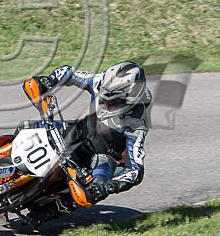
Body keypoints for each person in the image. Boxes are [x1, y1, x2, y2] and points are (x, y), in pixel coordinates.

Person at [22, 62, 151, 227]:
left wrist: (110, 186)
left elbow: (135, 171)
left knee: (93, 193)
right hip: (80, 133)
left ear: (131, 101)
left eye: (114, 101)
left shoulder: (137, 125)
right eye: (104, 96)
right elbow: (69, 73)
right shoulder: (99, 82)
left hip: (103, 157)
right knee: (27, 126)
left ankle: (46, 213)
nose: (106, 103)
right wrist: (49, 80)